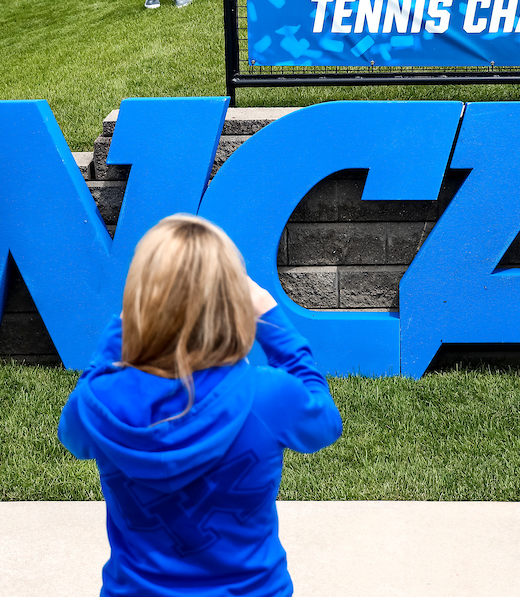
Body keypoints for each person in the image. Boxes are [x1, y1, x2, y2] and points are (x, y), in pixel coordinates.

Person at [58, 214, 343, 597]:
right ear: (233, 302)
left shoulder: (97, 401)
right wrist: (272, 320)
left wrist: (119, 332)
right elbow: (325, 423)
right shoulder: (269, 397)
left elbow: (73, 436)